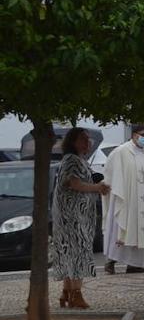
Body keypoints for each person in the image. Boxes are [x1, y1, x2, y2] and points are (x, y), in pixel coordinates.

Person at [50, 127, 109, 309]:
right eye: (83, 139)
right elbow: (73, 183)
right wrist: (97, 188)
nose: (88, 142)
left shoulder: (76, 160)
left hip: (73, 216)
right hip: (73, 218)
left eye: (88, 139)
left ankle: (66, 292)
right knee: (77, 255)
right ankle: (76, 295)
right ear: (73, 142)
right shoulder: (72, 161)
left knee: (69, 254)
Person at [102, 125, 144, 274]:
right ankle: (110, 261)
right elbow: (109, 169)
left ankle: (134, 263)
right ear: (134, 135)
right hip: (126, 196)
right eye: (142, 134)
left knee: (140, 228)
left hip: (143, 198)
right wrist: (116, 188)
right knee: (122, 228)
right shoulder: (122, 151)